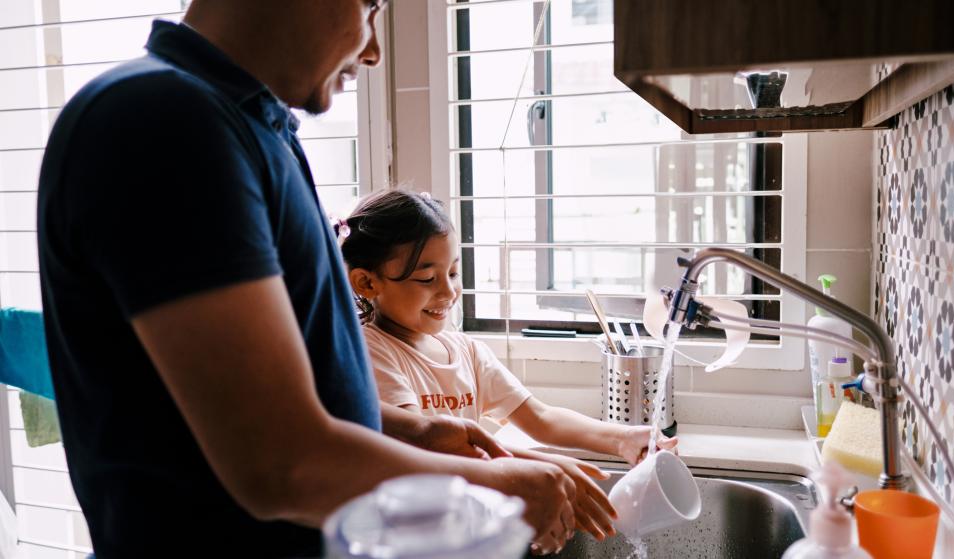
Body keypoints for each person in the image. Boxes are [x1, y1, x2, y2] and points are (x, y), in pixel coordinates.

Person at [36, 1, 578, 557]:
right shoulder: (164, 121)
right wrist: (489, 491)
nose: (372, 50)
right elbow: (278, 462)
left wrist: (411, 432)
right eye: (370, 7)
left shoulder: (244, 126)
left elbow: (260, 401)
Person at [338, 190, 680, 540]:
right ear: (367, 282)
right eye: (427, 279)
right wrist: (537, 466)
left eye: (453, 273)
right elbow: (429, 443)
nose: (448, 292)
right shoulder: (371, 351)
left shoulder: (466, 350)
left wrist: (622, 439)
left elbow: (541, 418)